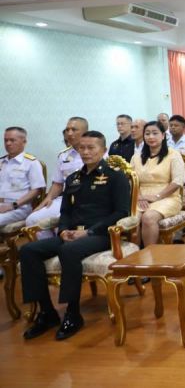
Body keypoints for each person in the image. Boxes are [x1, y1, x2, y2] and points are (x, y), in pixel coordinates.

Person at [20, 131, 130, 341]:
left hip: (100, 234)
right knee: (28, 251)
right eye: (82, 148)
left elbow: (121, 213)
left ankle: (72, 313)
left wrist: (87, 232)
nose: (86, 152)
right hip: (71, 234)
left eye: (91, 148)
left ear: (103, 150)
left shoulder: (116, 177)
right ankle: (46, 312)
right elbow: (66, 212)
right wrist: (63, 230)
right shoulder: (73, 178)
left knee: (67, 250)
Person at [24, 118, 88, 239]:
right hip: (65, 198)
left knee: (65, 223)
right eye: (67, 130)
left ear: (85, 132)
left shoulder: (98, 152)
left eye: (74, 129)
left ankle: (63, 249)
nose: (69, 133)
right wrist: (45, 201)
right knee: (32, 220)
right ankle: (50, 248)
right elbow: (58, 184)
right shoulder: (63, 155)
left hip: (87, 199)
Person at [132, 121, 185, 247]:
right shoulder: (136, 157)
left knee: (148, 217)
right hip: (141, 197)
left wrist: (157, 197)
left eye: (155, 133)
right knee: (132, 219)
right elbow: (132, 180)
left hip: (168, 197)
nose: (151, 137)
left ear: (163, 135)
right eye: (147, 134)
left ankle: (151, 256)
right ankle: (135, 257)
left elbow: (178, 181)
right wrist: (139, 196)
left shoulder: (173, 154)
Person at [0, 127, 46, 228]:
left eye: (12, 140)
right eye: (5, 140)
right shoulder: (1, 162)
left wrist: (13, 205)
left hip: (18, 208)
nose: (8, 143)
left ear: (24, 142)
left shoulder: (31, 163)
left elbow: (37, 190)